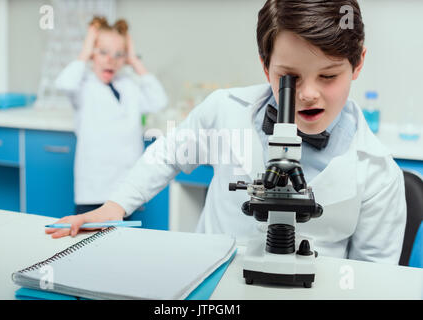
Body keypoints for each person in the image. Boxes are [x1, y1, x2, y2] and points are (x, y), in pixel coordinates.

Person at [47, 1, 406, 265]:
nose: (309, 93)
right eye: (290, 78)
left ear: (357, 63)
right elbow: (167, 154)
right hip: (213, 285)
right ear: (265, 66)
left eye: (328, 76)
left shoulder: (378, 171)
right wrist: (115, 205)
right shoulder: (226, 110)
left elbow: (374, 276)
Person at [54, 16, 168, 215]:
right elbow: (64, 82)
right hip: (93, 190)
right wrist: (86, 51)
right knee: (88, 242)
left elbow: (159, 100)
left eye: (119, 54)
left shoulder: (129, 86)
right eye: (103, 52)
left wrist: (133, 60)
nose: (111, 60)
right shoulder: (83, 87)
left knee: (123, 242)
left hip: (126, 190)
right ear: (92, 54)